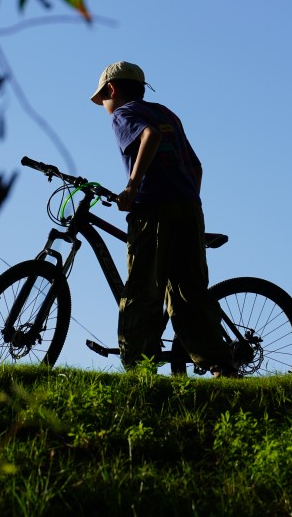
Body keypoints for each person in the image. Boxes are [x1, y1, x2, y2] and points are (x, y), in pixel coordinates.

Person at [90, 61, 238, 377]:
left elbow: (150, 137)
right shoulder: (167, 113)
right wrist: (185, 201)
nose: (104, 106)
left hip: (153, 208)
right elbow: (196, 167)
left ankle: (140, 371)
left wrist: (132, 187)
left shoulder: (123, 114)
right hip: (188, 207)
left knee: (143, 289)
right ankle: (221, 364)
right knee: (189, 292)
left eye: (103, 98)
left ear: (112, 90)